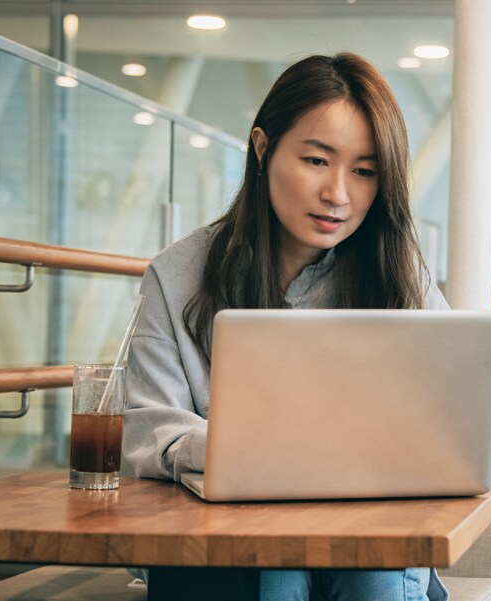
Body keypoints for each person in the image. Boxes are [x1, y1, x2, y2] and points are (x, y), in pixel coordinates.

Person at [122, 53, 449, 600]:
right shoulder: (178, 275)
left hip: (365, 532)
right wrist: (261, 451)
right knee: (274, 568)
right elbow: (148, 433)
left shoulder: (398, 276)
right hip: (221, 539)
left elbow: (443, 418)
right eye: (318, 161)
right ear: (262, 147)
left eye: (364, 171)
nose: (339, 195)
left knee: (371, 569)